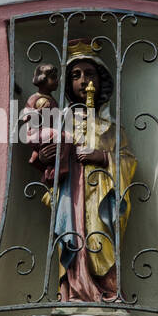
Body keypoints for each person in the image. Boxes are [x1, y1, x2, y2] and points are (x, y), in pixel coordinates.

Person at [29, 40, 135, 302]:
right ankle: (71, 292)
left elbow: (128, 160)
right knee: (71, 241)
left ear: (100, 81)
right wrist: (44, 156)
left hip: (100, 196)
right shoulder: (60, 122)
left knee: (101, 244)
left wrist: (101, 156)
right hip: (69, 195)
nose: (83, 80)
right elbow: (44, 150)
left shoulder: (111, 129)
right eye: (76, 75)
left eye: (89, 74)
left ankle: (108, 293)